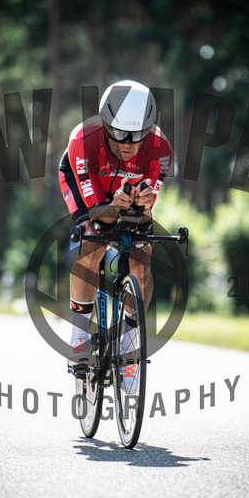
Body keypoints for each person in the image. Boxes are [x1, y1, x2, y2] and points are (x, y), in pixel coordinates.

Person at [58, 80, 172, 371]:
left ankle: (130, 344)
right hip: (86, 181)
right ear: (106, 124)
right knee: (92, 239)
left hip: (123, 186)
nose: (128, 143)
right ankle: (80, 338)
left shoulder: (160, 148)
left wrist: (142, 206)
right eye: (120, 133)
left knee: (141, 255)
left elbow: (144, 217)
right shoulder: (84, 139)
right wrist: (115, 207)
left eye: (138, 135)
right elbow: (98, 214)